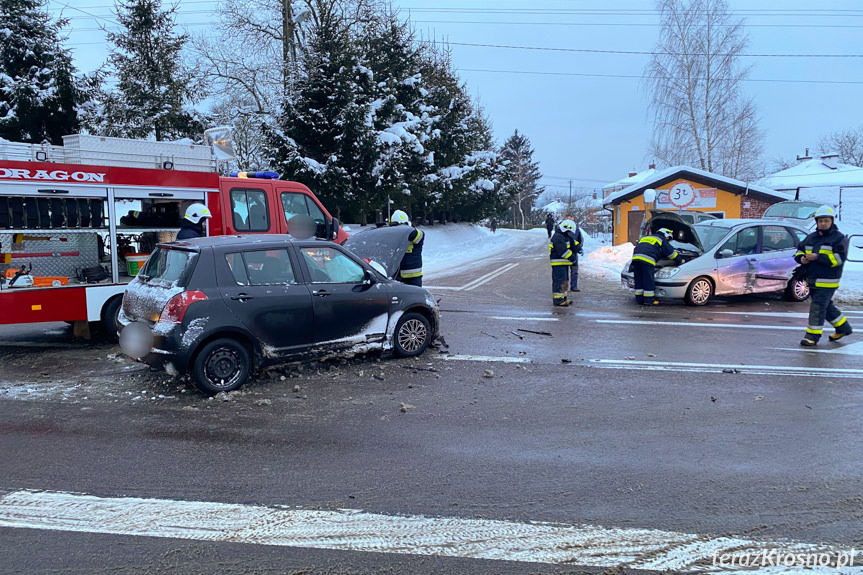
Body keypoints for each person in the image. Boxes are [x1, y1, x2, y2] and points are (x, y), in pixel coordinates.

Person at [794, 205, 852, 347]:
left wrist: (817, 257)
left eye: (826, 221)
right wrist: (801, 258)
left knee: (817, 307)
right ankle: (843, 328)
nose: (823, 223)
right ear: (817, 222)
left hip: (828, 281)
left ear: (832, 221)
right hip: (812, 279)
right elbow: (799, 251)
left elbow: (839, 259)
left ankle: (812, 336)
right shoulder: (811, 237)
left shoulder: (839, 238)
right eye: (820, 221)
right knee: (825, 307)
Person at [631, 226, 680, 305]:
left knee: (639, 279)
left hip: (636, 258)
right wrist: (679, 260)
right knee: (648, 280)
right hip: (647, 260)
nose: (668, 240)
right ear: (666, 235)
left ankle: (639, 299)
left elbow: (642, 248)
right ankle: (649, 300)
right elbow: (671, 253)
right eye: (668, 238)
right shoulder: (661, 239)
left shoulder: (646, 238)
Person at [390, 209, 424, 286]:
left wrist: (400, 228)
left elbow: (415, 235)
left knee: (415, 296)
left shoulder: (416, 233)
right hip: (397, 275)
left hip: (413, 277)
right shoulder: (393, 236)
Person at [549, 219, 577, 306]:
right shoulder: (558, 237)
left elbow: (571, 243)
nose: (570, 233)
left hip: (564, 264)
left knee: (564, 281)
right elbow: (563, 251)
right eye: (569, 231)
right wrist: (572, 257)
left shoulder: (564, 235)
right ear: (565, 229)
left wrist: (577, 247)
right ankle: (558, 301)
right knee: (559, 282)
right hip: (558, 264)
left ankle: (563, 298)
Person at [563, 214, 584, 293]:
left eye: (571, 219)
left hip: (574, 252)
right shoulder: (562, 228)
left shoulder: (576, 228)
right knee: (564, 271)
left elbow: (580, 239)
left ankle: (574, 286)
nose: (570, 220)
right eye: (568, 219)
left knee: (574, 270)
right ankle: (564, 286)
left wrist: (579, 248)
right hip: (564, 252)